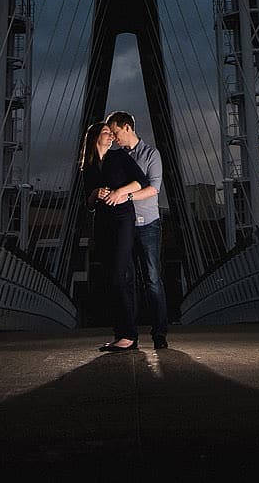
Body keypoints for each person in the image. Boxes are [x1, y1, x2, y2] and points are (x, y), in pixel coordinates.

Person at [96, 110, 166, 350]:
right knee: (126, 280)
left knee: (152, 279)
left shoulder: (150, 154)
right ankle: (129, 334)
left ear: (127, 128)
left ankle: (159, 334)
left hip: (147, 224)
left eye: (115, 132)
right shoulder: (115, 157)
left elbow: (153, 188)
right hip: (122, 227)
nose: (113, 137)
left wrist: (123, 195)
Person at [79, 121, 144, 351]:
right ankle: (122, 334)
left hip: (123, 220)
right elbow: (88, 204)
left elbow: (140, 181)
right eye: (106, 133)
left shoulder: (119, 157)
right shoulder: (88, 167)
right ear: (95, 136)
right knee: (111, 277)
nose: (111, 137)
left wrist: (119, 192)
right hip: (103, 223)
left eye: (111, 133)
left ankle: (129, 334)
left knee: (119, 275)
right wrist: (95, 193)